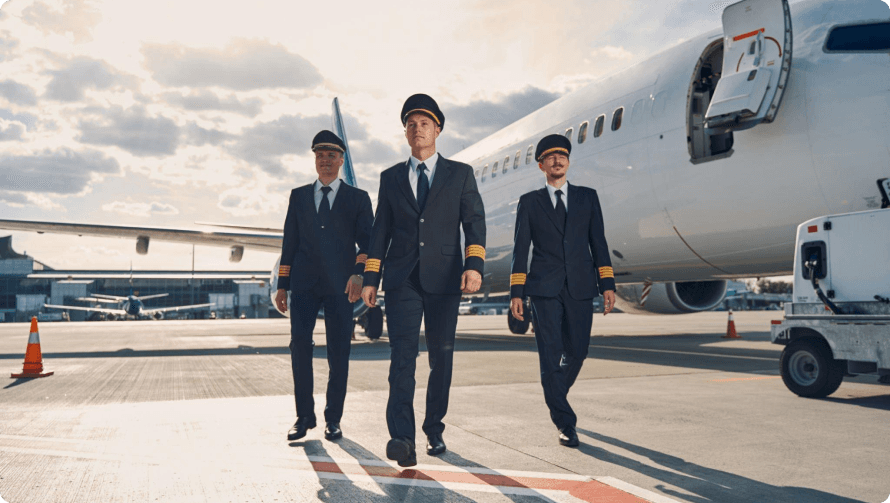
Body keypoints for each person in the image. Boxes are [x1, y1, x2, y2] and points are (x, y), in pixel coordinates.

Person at [361, 94, 486, 467]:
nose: (418, 129)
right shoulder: (390, 178)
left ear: (438, 130)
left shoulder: (460, 174)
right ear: (405, 132)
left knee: (441, 359)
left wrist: (474, 265)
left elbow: (473, 222)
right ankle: (402, 437)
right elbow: (379, 231)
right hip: (402, 280)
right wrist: (371, 276)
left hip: (446, 278)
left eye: (425, 123)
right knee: (402, 357)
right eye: (411, 124)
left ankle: (434, 427)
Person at [509, 133, 616, 448]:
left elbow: (599, 243)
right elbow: (520, 249)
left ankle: (555, 394)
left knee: (578, 352)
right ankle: (565, 423)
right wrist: (517, 291)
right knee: (550, 355)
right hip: (544, 288)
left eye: (562, 156)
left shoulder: (587, 197)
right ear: (541, 165)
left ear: (568, 162)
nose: (557, 161)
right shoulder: (530, 202)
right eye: (550, 157)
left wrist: (607, 284)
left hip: (581, 286)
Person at [275, 130, 373, 443]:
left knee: (339, 353)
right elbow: (289, 242)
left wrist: (359, 274)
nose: (326, 161)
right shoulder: (299, 196)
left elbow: (368, 244)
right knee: (299, 348)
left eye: (331, 155)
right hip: (303, 286)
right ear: (315, 159)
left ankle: (334, 419)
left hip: (341, 287)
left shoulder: (357, 199)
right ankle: (304, 417)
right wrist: (282, 285)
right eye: (320, 155)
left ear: (341, 160)